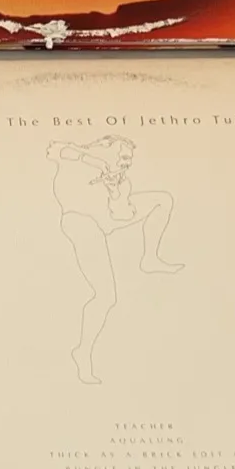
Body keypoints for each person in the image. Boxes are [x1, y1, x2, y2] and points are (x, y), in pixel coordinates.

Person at [48, 136, 181, 385]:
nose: (126, 163)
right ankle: (83, 352)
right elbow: (59, 151)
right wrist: (98, 164)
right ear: (107, 149)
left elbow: (122, 216)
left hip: (103, 219)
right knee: (106, 296)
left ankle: (150, 258)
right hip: (80, 221)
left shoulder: (119, 178)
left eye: (129, 160)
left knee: (162, 199)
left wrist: (115, 192)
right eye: (123, 157)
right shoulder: (73, 153)